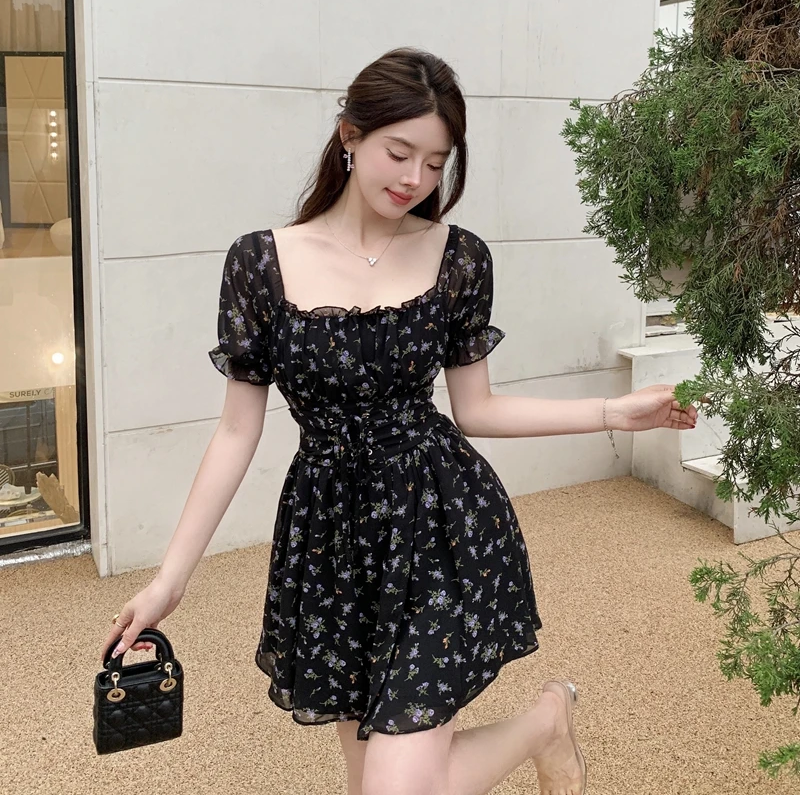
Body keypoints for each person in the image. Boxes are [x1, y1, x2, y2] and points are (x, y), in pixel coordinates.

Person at [101, 47, 698, 795]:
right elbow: (236, 431)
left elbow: (477, 409)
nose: (415, 178)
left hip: (440, 523)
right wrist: (170, 581)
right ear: (349, 135)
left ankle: (545, 722)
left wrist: (613, 411)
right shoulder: (259, 263)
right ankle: (547, 724)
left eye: (435, 162)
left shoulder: (459, 258)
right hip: (332, 542)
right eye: (399, 152)